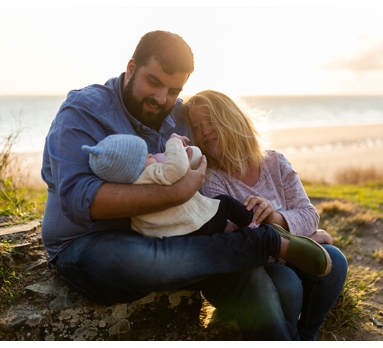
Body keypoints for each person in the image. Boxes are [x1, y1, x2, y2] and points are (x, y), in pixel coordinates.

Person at [40, 30, 329, 340]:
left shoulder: (178, 114)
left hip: (179, 234)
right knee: (137, 259)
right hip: (93, 241)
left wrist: (275, 210)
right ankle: (264, 243)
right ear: (131, 68)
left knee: (243, 270)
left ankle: (266, 255)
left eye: (174, 89)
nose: (162, 98)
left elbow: (220, 148)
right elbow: (78, 198)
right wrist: (175, 193)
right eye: (153, 82)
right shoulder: (83, 110)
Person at [186, 89, 349, 341]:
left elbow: (308, 214)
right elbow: (234, 236)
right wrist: (306, 239)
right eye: (196, 126)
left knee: (335, 260)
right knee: (287, 283)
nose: (204, 131)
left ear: (232, 119)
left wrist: (274, 218)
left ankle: (306, 337)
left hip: (282, 258)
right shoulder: (210, 177)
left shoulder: (275, 162)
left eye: (211, 120)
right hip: (249, 269)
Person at [81, 133, 257, 238]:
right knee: (225, 203)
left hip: (173, 235)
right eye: (149, 157)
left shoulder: (132, 186)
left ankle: (227, 229)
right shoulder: (151, 174)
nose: (154, 156)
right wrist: (173, 143)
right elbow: (177, 169)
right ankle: (253, 224)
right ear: (135, 167)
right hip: (195, 226)